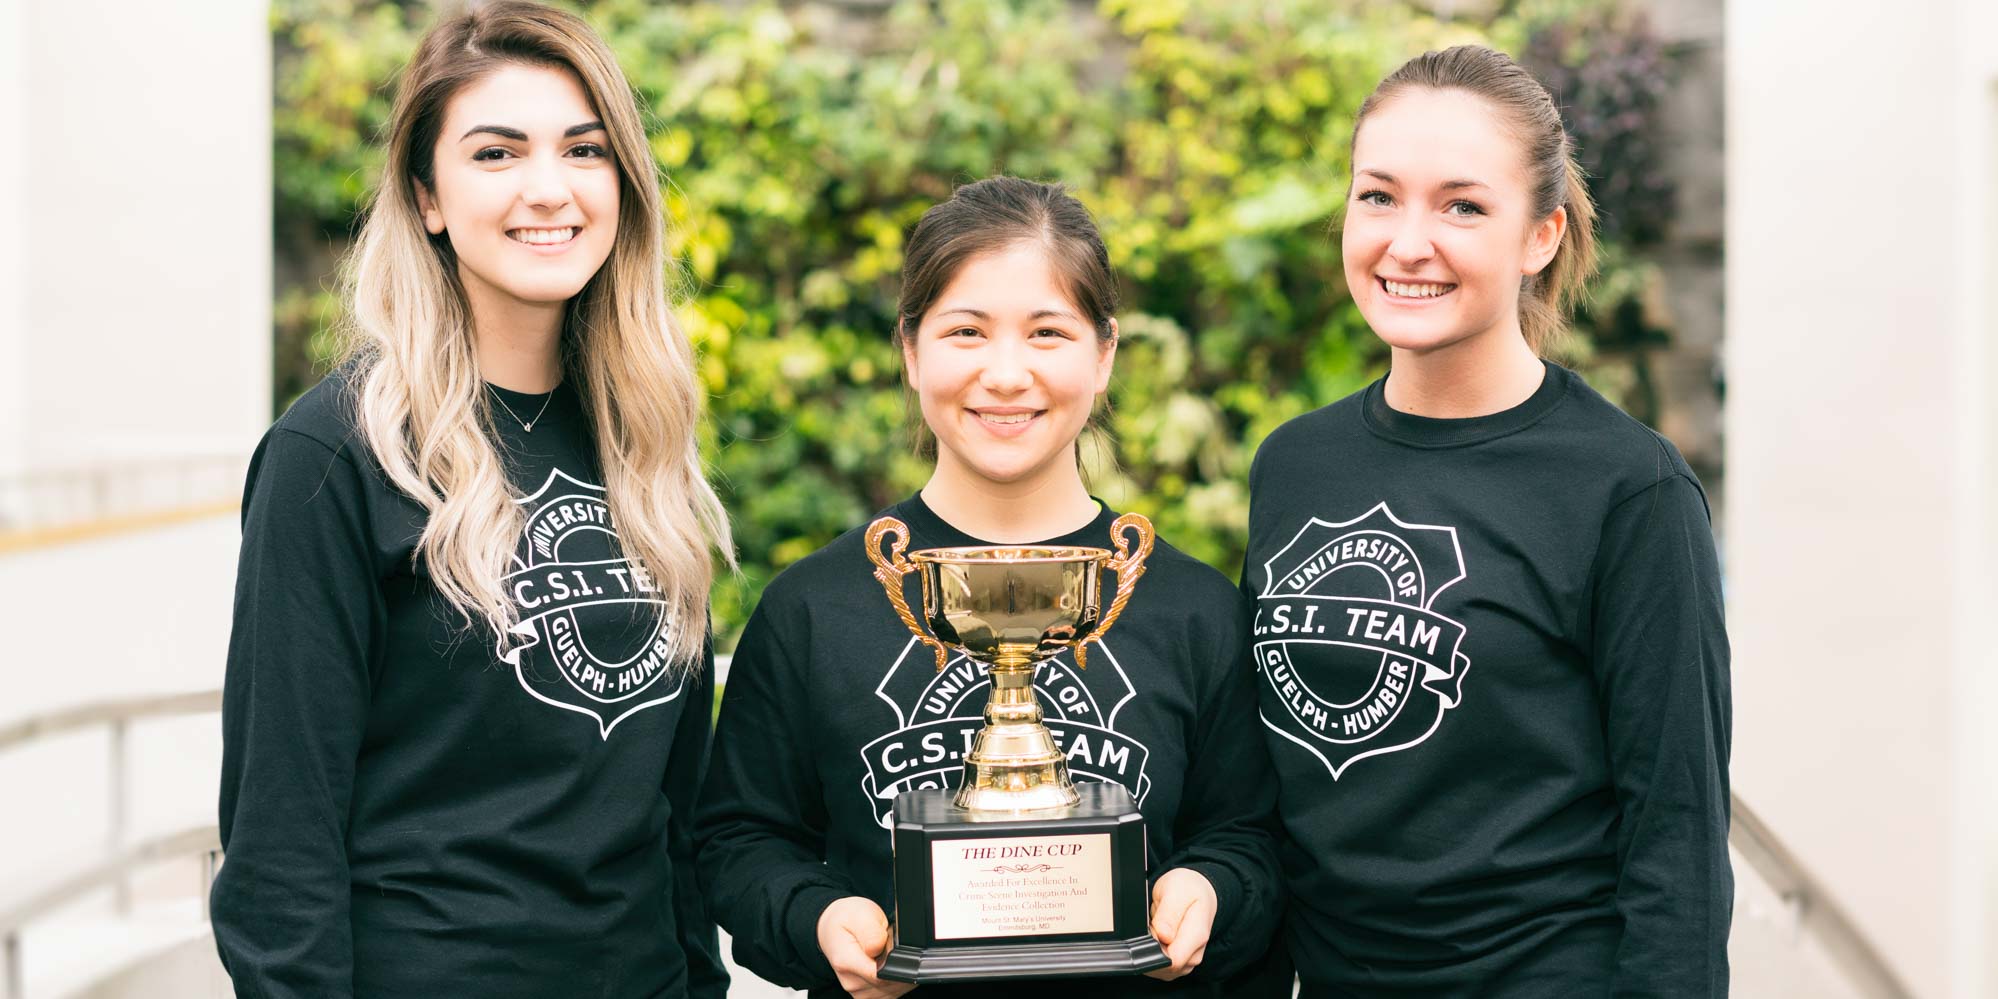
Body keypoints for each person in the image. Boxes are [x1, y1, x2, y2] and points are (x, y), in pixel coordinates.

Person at [209, 4, 732, 996]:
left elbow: (676, 814)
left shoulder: (644, 440)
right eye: (496, 154)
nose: (549, 189)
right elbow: (279, 845)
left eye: (585, 150)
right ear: (429, 197)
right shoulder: (337, 455)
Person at [696, 176, 1286, 999]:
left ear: (1105, 351)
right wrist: (818, 919)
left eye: (1048, 332)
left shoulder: (1191, 607)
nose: (1006, 375)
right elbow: (738, 841)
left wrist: (1212, 893)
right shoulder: (811, 609)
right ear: (910, 348)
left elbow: (1253, 835)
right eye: (966, 331)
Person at [1243, 44, 1731, 997]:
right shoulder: (1294, 464)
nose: (1407, 241)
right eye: (1378, 195)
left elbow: (1676, 831)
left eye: (1462, 205)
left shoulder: (1628, 490)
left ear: (1540, 236)